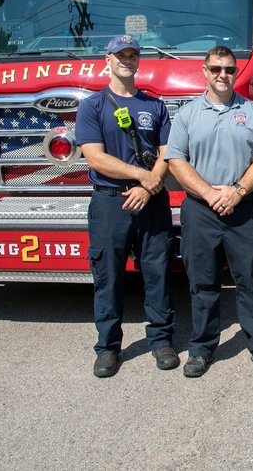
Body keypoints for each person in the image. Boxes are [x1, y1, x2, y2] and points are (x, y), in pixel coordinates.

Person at [165, 46, 253, 377]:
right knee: (202, 282)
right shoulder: (187, 114)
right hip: (200, 210)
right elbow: (176, 160)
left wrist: (238, 191)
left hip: (243, 210)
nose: (222, 75)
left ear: (235, 72)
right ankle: (201, 349)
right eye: (216, 69)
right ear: (204, 70)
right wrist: (207, 192)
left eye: (229, 70)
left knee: (251, 279)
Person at [75, 34, 178, 378]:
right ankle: (107, 348)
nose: (127, 60)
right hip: (110, 203)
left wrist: (149, 188)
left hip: (152, 203)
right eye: (121, 55)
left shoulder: (155, 106)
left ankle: (161, 341)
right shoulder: (92, 106)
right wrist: (142, 177)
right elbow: (95, 157)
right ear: (108, 60)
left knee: (158, 273)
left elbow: (167, 153)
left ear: (138, 61)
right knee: (108, 276)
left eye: (132, 55)